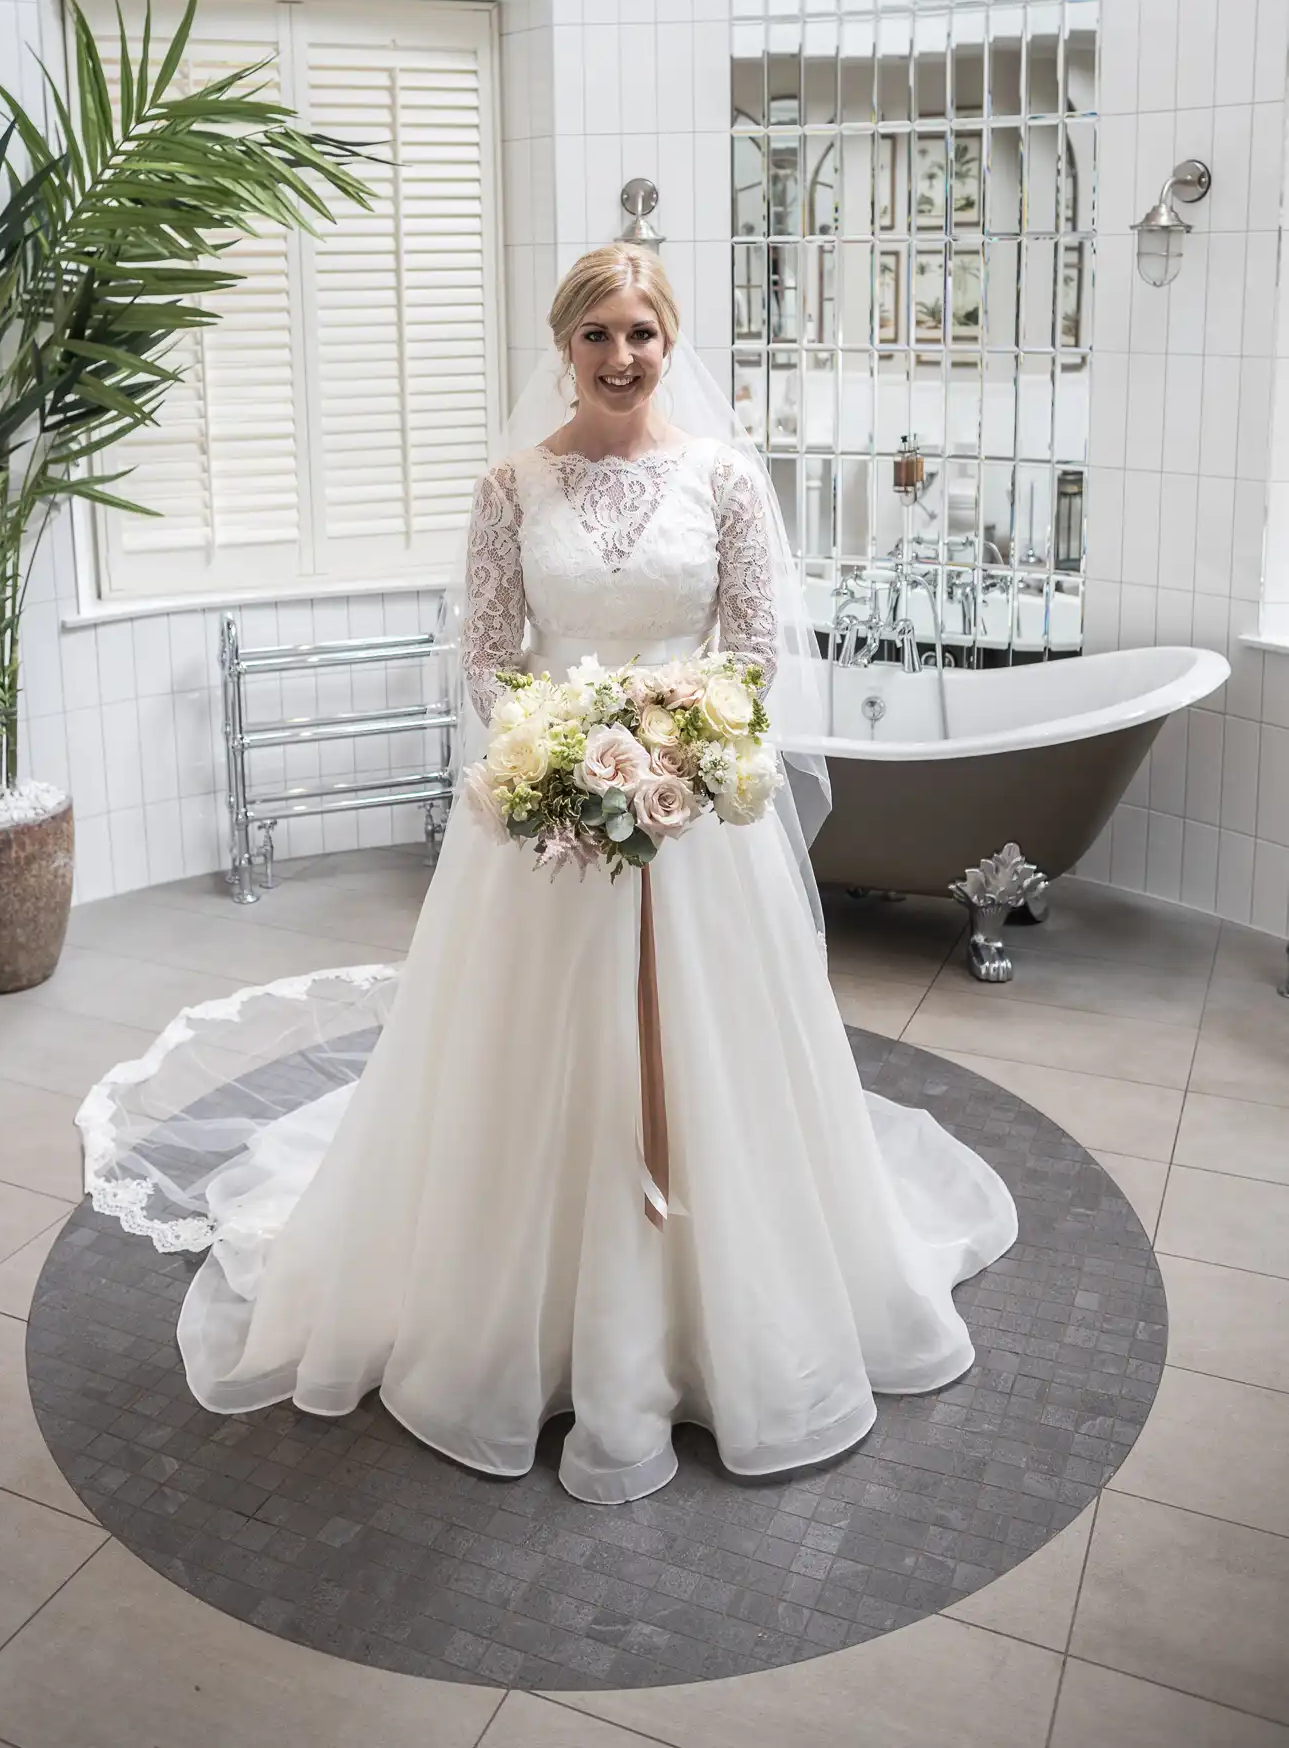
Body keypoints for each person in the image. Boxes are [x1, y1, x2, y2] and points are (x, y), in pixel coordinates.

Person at [170, 245, 1017, 1506]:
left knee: (711, 1056)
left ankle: (706, 1311)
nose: (622, 359)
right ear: (562, 343)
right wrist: (560, 757)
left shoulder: (726, 478)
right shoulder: (508, 486)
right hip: (546, 830)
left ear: (671, 339)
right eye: (598, 336)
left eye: (643, 334)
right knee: (530, 1051)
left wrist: (674, 743)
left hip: (695, 830)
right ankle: (525, 1311)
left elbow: (753, 649)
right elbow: (491, 656)